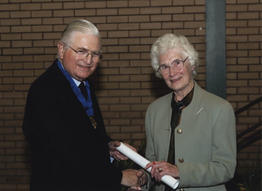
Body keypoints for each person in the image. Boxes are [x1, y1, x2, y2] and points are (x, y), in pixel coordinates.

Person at [22, 19, 144, 191]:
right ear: (61, 49)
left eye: (95, 54)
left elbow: (81, 135)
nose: (88, 60)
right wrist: (119, 177)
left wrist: (107, 146)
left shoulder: (83, 84)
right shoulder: (45, 91)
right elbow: (62, 156)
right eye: (81, 51)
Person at [142, 33, 237, 191]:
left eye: (177, 63)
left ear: (191, 64)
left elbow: (225, 168)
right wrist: (141, 182)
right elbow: (150, 165)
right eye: (164, 66)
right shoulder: (154, 111)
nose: (172, 72)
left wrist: (180, 172)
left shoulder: (220, 109)